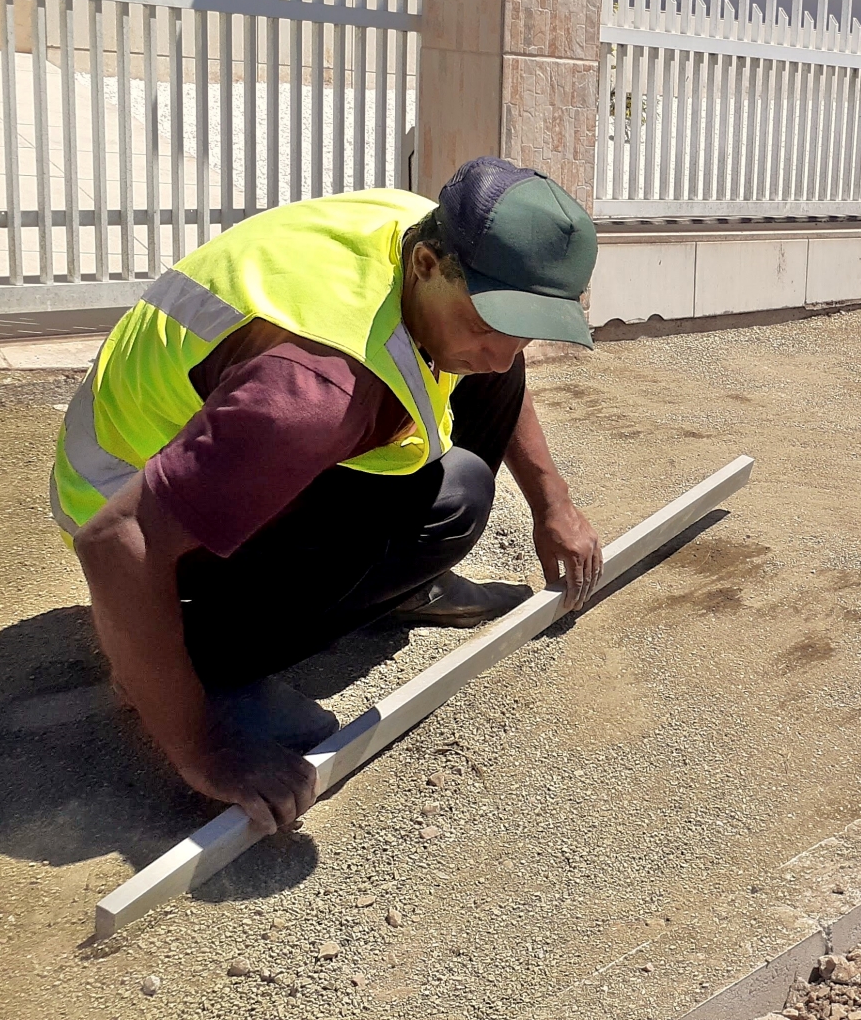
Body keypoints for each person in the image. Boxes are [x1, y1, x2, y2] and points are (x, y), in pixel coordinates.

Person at [53, 156, 606, 835]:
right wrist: (201, 747)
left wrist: (554, 502)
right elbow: (116, 541)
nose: (505, 349)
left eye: (524, 327)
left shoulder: (422, 236)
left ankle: (400, 585)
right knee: (454, 498)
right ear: (429, 265)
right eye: (491, 324)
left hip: (212, 449)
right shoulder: (314, 392)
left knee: (476, 392)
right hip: (129, 508)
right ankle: (203, 656)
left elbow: (494, 355)